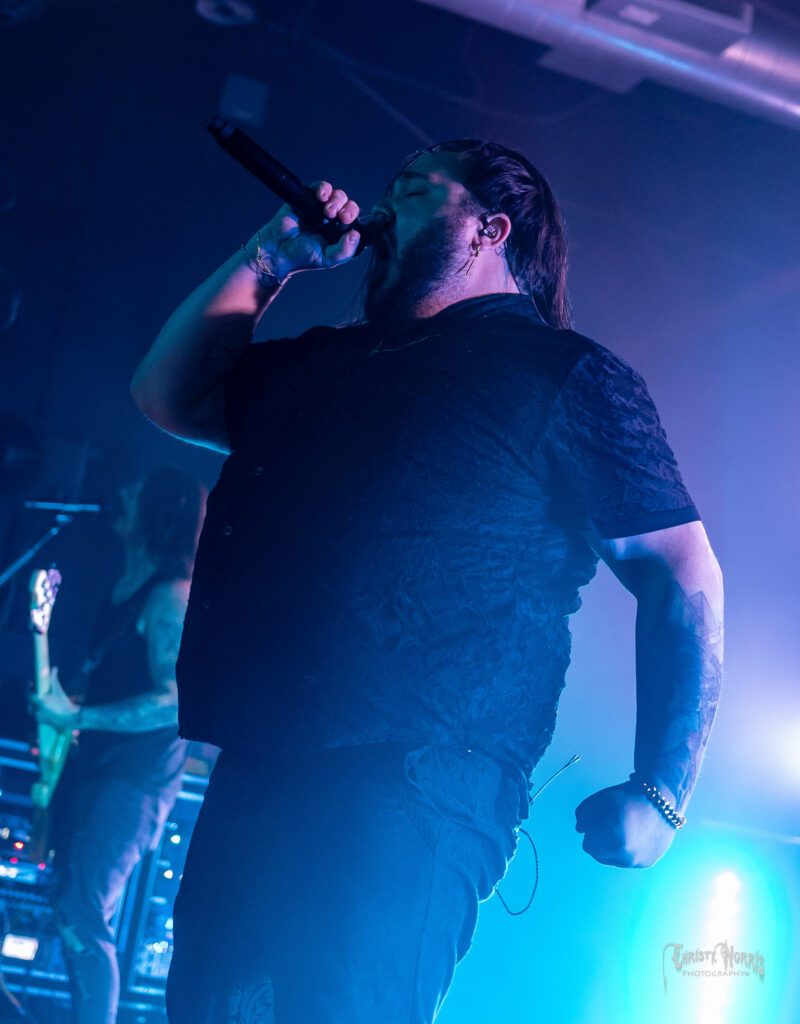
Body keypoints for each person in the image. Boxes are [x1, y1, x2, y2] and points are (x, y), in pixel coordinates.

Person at [131, 139, 724, 1024]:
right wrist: (270, 258)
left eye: (413, 189)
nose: (383, 205)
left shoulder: (562, 375)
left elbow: (681, 574)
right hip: (261, 756)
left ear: (490, 228)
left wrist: (663, 791)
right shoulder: (328, 363)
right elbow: (168, 395)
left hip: (419, 777)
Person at [30, 466, 207, 1024]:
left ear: (160, 512)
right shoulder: (124, 590)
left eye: (137, 489)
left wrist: (78, 714)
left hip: (136, 780)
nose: (123, 492)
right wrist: (69, 705)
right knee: (69, 906)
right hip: (99, 769)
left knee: (84, 911)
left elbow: (174, 700)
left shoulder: (170, 597)